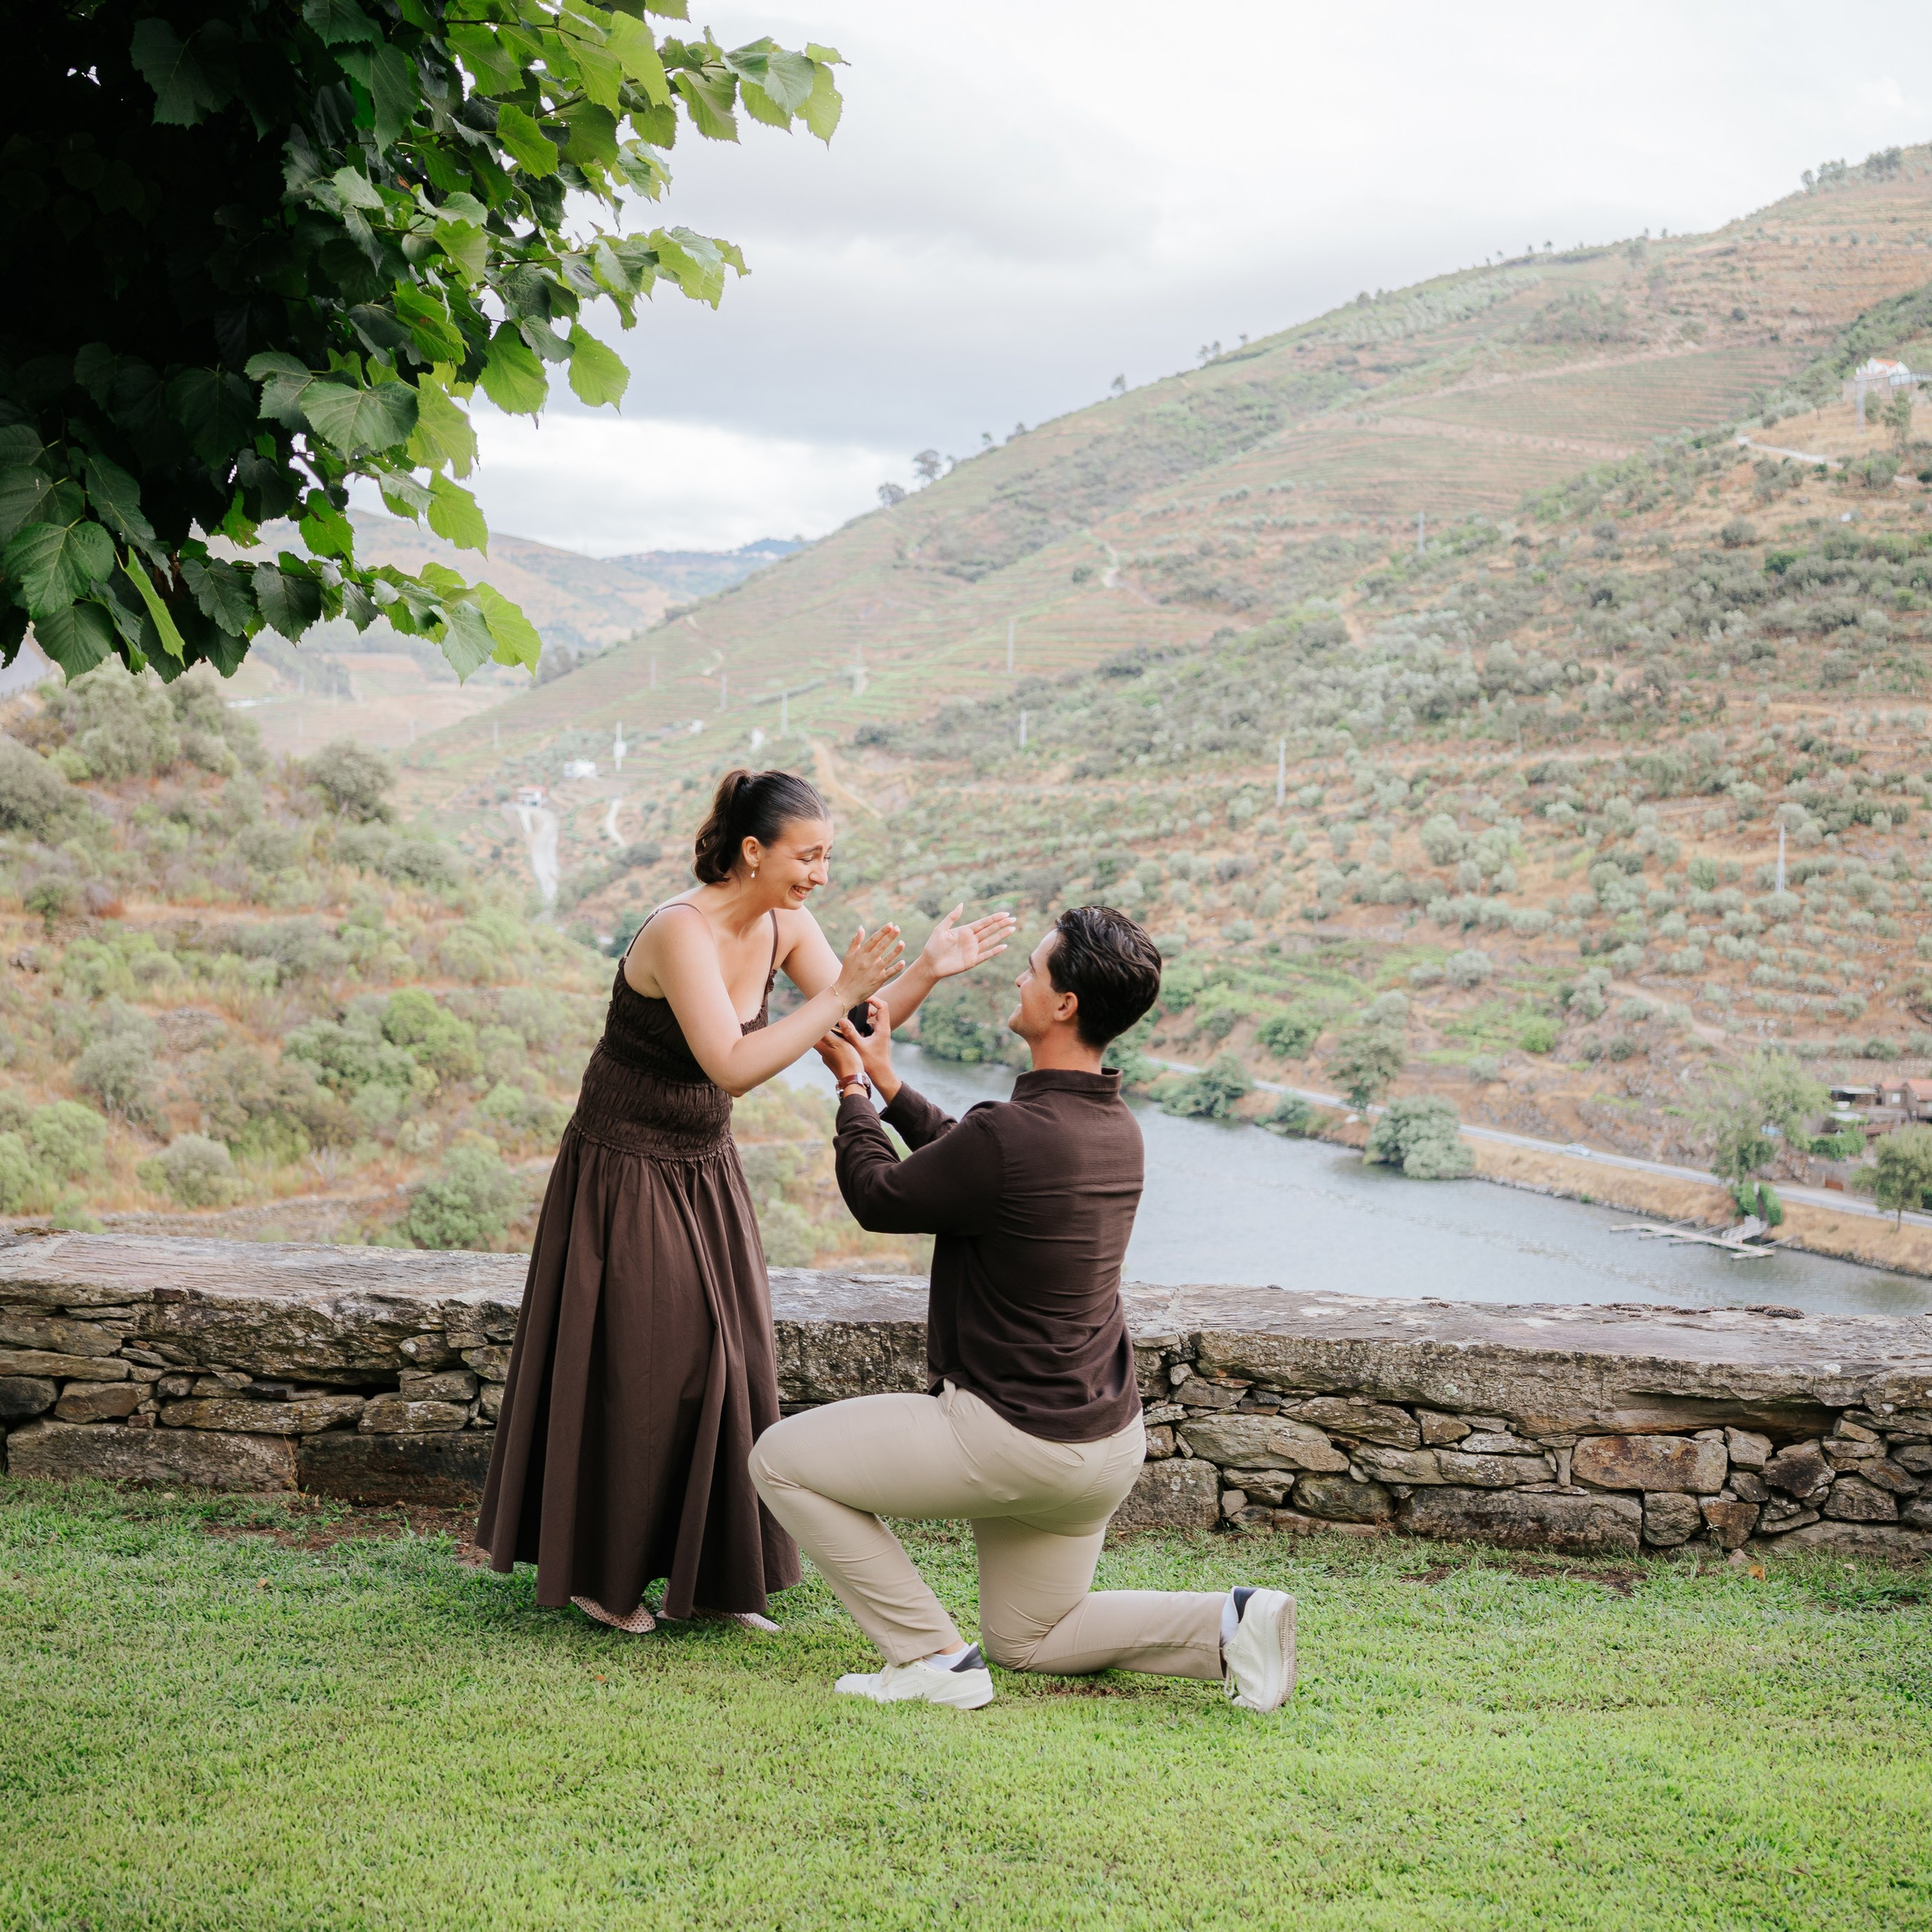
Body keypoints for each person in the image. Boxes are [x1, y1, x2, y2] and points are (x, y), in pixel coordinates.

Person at [476, 768, 1016, 1636]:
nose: (820, 876)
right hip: (625, 1166)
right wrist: (837, 995)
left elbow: (853, 1028)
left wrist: (925, 971)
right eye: (808, 856)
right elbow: (730, 1063)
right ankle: (607, 1579)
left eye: (827, 857)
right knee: (649, 1369)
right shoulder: (677, 931)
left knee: (732, 1361)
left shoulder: (785, 925)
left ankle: (715, 1578)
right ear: (754, 850)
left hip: (704, 1162)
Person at [749, 904, 1296, 1712]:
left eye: (1033, 969)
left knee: (779, 1460)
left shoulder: (1011, 1135)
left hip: (1012, 1439)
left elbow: (881, 1194)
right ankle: (1232, 1622)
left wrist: (852, 1087)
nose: (1019, 978)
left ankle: (931, 1657)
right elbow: (975, 1160)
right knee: (1030, 1637)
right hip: (1104, 1445)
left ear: (1065, 1003)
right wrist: (890, 1082)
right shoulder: (1116, 1129)